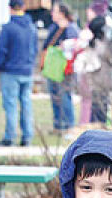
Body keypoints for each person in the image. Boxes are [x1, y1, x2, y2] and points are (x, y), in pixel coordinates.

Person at [0, 0, 37, 147]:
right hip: (27, 70)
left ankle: (10, 137)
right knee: (26, 104)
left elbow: (2, 51)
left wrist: (1, 66)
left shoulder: (8, 28)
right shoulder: (31, 28)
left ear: (10, 8)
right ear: (24, 8)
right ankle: (27, 136)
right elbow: (34, 49)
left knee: (11, 104)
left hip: (10, 71)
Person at [41, 2, 79, 135]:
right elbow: (46, 45)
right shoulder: (53, 27)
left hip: (65, 70)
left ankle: (69, 126)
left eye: (55, 11)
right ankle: (58, 125)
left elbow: (75, 48)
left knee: (64, 96)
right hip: (53, 68)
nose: (52, 14)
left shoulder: (71, 29)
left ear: (62, 13)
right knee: (54, 96)